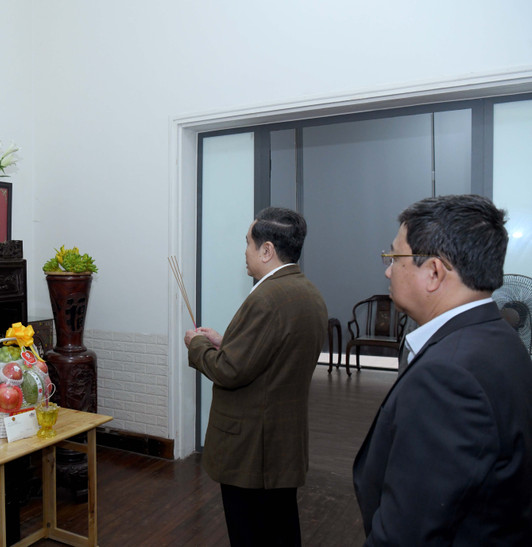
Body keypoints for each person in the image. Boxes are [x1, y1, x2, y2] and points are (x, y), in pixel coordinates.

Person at [353, 194, 532, 545]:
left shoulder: (449, 377)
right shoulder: (501, 338)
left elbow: (409, 533)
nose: (388, 270)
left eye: (394, 257)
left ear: (433, 272)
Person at [184, 207, 327, 547]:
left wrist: (198, 344)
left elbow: (228, 370)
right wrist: (225, 341)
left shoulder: (267, 298)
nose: (245, 252)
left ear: (267, 250)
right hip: (282, 442)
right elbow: (272, 353)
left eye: (248, 243)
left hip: (252, 447)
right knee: (281, 529)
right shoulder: (307, 292)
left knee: (250, 532)